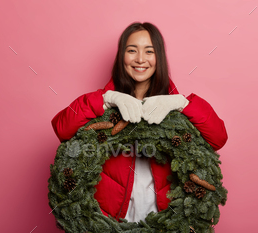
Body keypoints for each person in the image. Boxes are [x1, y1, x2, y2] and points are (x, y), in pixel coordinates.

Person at [51, 22, 228, 224]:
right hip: (111, 217)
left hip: (163, 218)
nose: (140, 59)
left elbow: (219, 137)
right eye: (132, 50)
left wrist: (182, 103)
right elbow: (62, 128)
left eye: (149, 51)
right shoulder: (103, 102)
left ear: (158, 57)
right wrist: (106, 99)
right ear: (121, 57)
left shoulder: (173, 106)